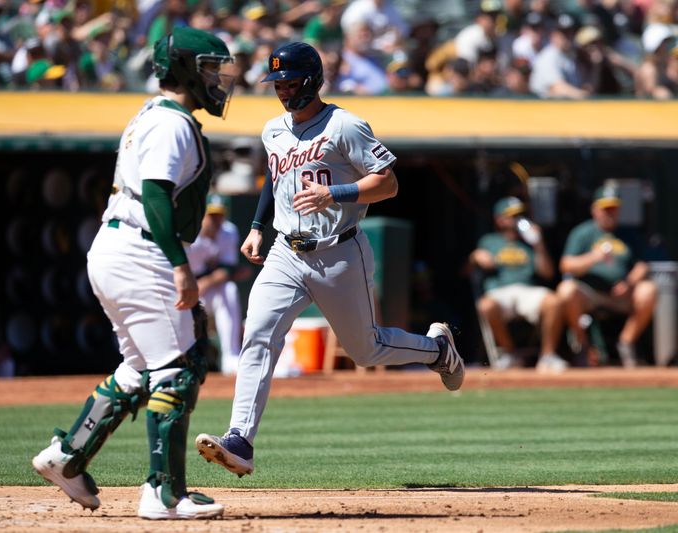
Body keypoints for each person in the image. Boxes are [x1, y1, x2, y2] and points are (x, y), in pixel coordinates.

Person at [194, 42, 465, 477]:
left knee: (366, 349)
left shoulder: (345, 126)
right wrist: (258, 227)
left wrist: (334, 193)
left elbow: (388, 183)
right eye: (277, 83)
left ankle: (436, 350)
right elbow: (274, 177)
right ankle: (240, 439)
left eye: (289, 81)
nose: (282, 90)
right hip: (286, 250)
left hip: (340, 250)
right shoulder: (273, 130)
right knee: (258, 335)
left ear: (312, 80)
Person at [32, 26, 236, 519]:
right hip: (143, 250)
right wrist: (180, 265)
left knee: (141, 367)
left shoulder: (152, 113)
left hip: (116, 246)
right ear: (186, 68)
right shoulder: (172, 124)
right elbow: (157, 194)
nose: (217, 79)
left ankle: (67, 456)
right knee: (178, 370)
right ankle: (164, 493)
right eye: (209, 68)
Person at [556, 185, 658, 368]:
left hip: (621, 293)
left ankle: (626, 343)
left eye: (614, 208)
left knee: (649, 290)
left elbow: (642, 265)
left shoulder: (628, 233)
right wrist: (594, 257)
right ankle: (584, 348)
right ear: (595, 209)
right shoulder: (583, 232)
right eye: (605, 208)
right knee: (566, 290)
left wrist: (628, 282)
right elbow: (566, 265)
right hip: (591, 294)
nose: (610, 213)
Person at [470, 197, 567, 372]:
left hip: (528, 290)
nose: (517, 219)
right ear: (499, 219)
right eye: (511, 215)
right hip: (500, 291)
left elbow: (548, 273)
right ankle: (510, 354)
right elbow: (465, 272)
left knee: (554, 301)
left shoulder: (530, 242)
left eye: (520, 215)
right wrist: (474, 257)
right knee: (486, 305)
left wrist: (539, 245)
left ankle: (548, 356)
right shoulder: (489, 241)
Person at [186, 194, 244, 375]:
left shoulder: (228, 232)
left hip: (206, 290)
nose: (215, 220)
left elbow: (227, 270)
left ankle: (231, 356)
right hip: (184, 291)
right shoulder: (190, 235)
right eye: (211, 215)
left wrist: (207, 281)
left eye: (219, 215)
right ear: (202, 215)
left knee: (229, 289)